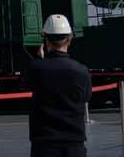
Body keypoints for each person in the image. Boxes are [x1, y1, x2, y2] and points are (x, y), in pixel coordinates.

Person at [24, 14, 92, 157]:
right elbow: (86, 97)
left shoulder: (36, 68)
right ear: (70, 39)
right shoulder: (81, 71)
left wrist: (39, 59)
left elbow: (27, 84)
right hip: (74, 144)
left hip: (44, 144)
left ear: (46, 40)